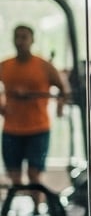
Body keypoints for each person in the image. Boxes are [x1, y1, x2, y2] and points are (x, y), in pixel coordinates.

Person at [0, 25, 69, 188]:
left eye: (24, 37)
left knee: (34, 176)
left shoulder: (43, 66)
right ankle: (14, 212)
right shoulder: (5, 66)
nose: (20, 41)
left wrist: (60, 107)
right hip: (12, 129)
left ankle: (38, 209)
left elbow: (63, 89)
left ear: (32, 40)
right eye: (17, 37)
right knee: (14, 178)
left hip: (38, 129)